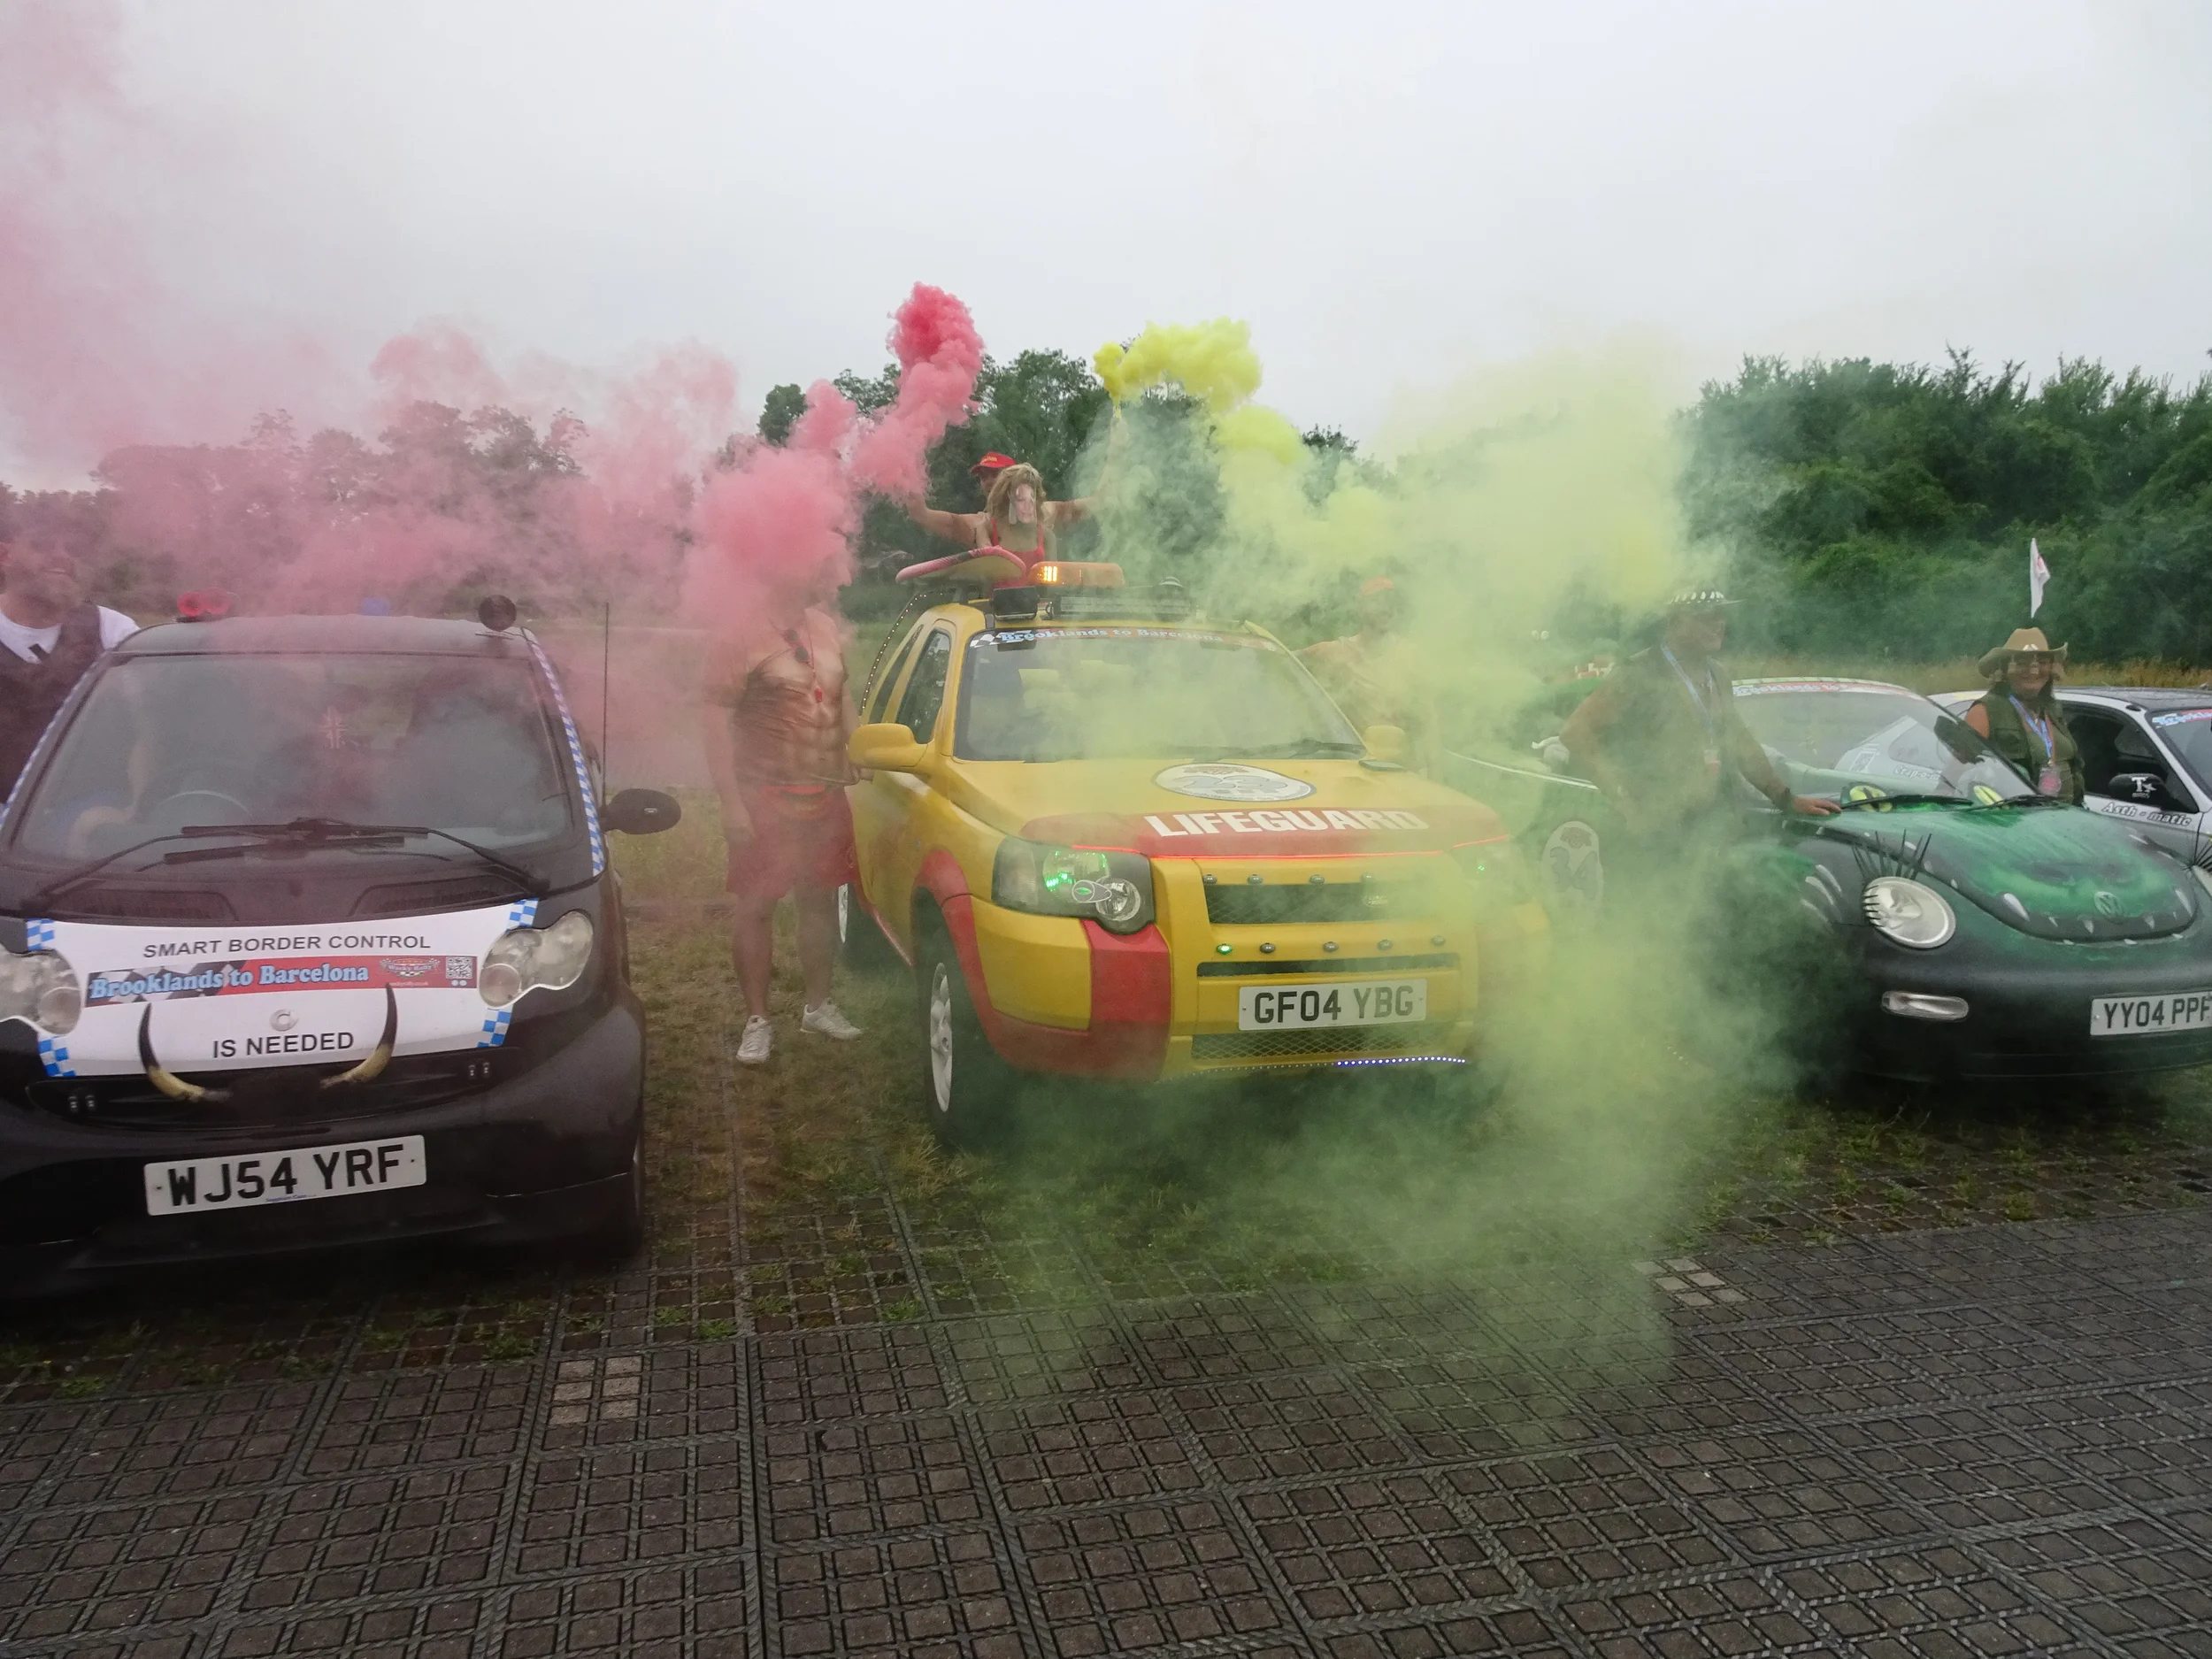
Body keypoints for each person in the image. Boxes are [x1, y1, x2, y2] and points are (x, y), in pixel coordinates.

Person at [700, 568, 865, 1065]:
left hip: (824, 793)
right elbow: (713, 721)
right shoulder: (738, 635)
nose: (819, 573)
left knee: (818, 902)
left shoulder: (825, 625)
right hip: (762, 794)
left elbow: (842, 696)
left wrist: (856, 744)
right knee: (757, 907)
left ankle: (818, 1006)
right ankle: (758, 1021)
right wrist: (730, 803)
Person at [1561, 588, 1838, 868]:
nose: (1718, 624)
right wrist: (1623, 801)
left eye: (1721, 615)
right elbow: (1576, 732)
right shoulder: (1638, 673)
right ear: (1675, 622)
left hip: (1709, 832)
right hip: (1652, 836)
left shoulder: (1718, 674)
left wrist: (1785, 798)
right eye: (1706, 617)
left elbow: (1740, 742)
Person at [0, 501, 138, 798]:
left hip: (91, 811)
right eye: (42, 544)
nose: (62, 557)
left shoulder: (112, 630)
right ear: (5, 555)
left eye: (73, 548)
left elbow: (151, 725)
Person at [1297, 577, 1438, 765]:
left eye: (1392, 602)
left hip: (1399, 771)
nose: (1387, 609)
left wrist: (1436, 781)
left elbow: (1428, 726)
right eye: (1379, 602)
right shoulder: (1334, 652)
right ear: (1361, 608)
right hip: (1350, 769)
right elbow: (1276, 659)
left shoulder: (1412, 657)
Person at [1961, 627, 2082, 803]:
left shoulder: (2051, 710)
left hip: (2064, 818)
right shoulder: (1985, 711)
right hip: (2016, 823)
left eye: (2042, 662)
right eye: (2021, 662)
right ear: (2003, 668)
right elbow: (1956, 773)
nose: (2033, 671)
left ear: (2051, 668)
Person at [902, 459, 1094, 569]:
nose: (987, 481)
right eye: (983, 476)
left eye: (994, 474)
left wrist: (1115, 451)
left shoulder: (1045, 512)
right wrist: (910, 479)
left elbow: (1098, 502)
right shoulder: (981, 524)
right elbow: (928, 517)